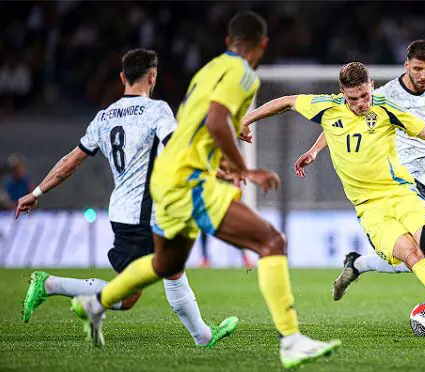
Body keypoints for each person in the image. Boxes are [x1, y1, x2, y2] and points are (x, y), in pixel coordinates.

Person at [67, 12, 340, 369]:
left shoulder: (208, 71)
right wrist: (244, 169)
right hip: (189, 180)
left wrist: (224, 153)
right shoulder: (244, 74)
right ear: (263, 45)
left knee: (166, 263)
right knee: (272, 242)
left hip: (164, 178)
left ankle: (95, 303)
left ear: (228, 42)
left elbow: (199, 125)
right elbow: (214, 119)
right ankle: (291, 341)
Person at [241, 61, 425, 328]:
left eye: (365, 95)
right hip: (369, 208)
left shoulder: (385, 108)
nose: (360, 104)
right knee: (411, 255)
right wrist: (246, 120)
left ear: (371, 86)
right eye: (353, 99)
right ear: (342, 94)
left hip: (401, 193)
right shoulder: (326, 107)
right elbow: (287, 101)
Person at [16, 49, 238, 348]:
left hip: (123, 212)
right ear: (153, 76)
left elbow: (71, 161)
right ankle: (51, 285)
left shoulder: (103, 117)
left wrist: (36, 192)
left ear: (122, 77)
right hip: (142, 213)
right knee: (146, 284)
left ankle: (203, 336)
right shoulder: (156, 110)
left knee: (155, 279)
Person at [291, 40, 425, 321]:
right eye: (418, 68)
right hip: (396, 176)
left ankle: (358, 264)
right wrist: (316, 150)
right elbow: (343, 123)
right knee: (417, 252)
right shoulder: (382, 94)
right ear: (406, 65)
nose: (423, 75)